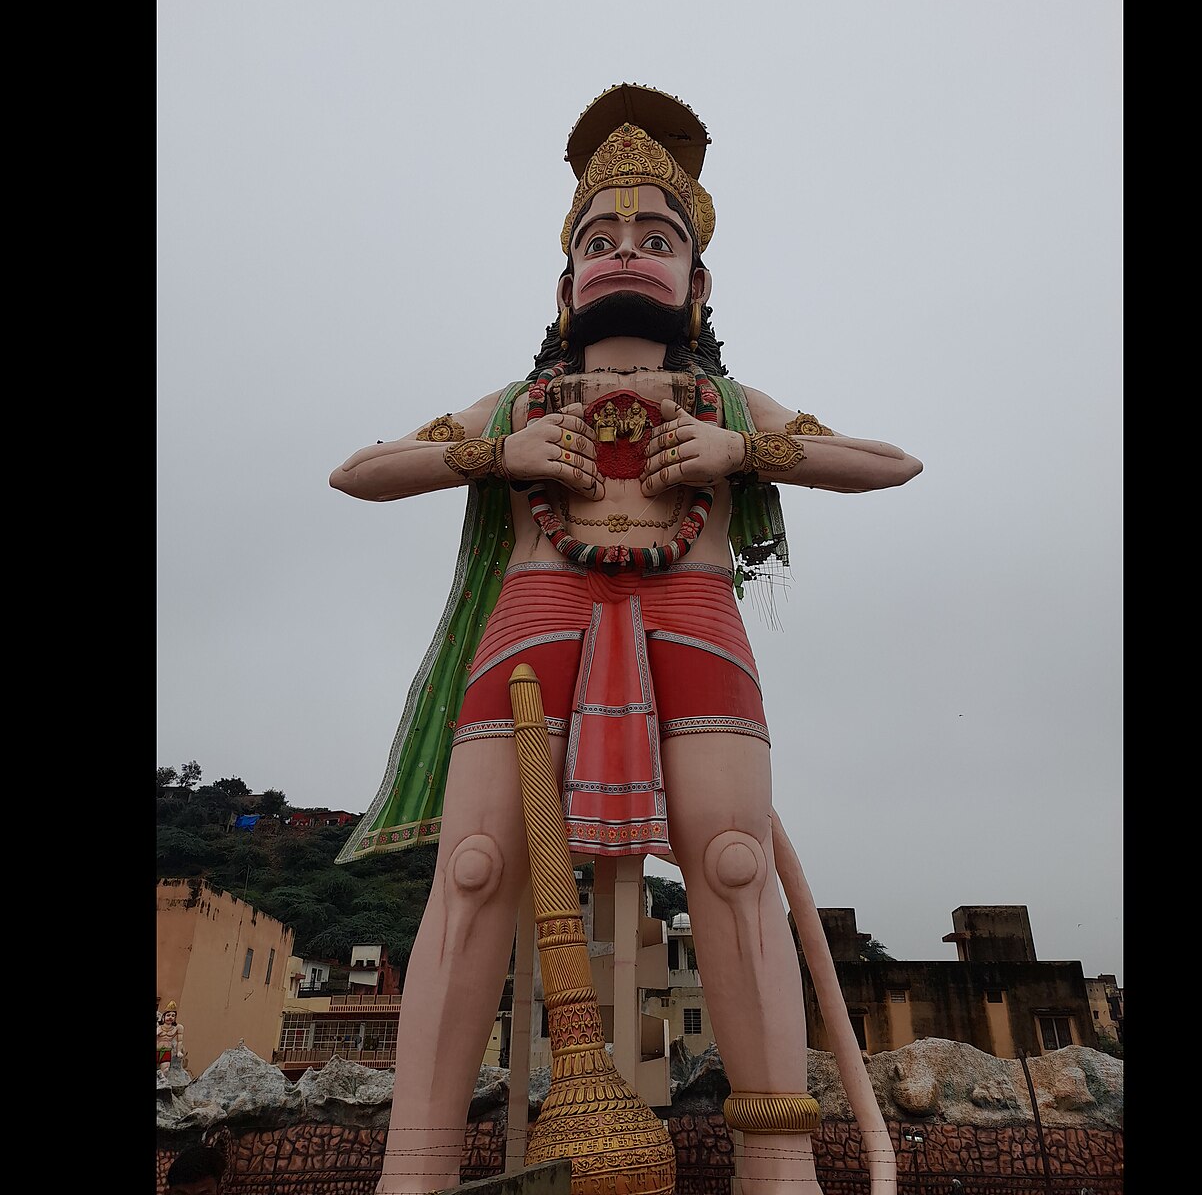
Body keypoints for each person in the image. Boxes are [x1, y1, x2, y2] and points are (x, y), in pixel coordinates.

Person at [329, 84, 922, 1195]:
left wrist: (735, 455)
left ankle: (778, 1167)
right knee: (473, 871)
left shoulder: (724, 404)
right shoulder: (519, 403)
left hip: (691, 619)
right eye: (600, 238)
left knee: (735, 868)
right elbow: (356, 469)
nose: (625, 254)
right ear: (564, 284)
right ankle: (409, 1173)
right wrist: (494, 458)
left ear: (697, 283)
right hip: (533, 623)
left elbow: (888, 460)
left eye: (657, 238)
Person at [157, 1000, 186, 1080]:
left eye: (173, 1016)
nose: (170, 1017)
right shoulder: (158, 1027)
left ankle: (162, 1084)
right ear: (164, 1016)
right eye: (168, 1015)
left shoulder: (178, 1028)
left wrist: (178, 1051)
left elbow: (179, 1041)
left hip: (167, 1050)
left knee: (165, 1070)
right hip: (157, 1049)